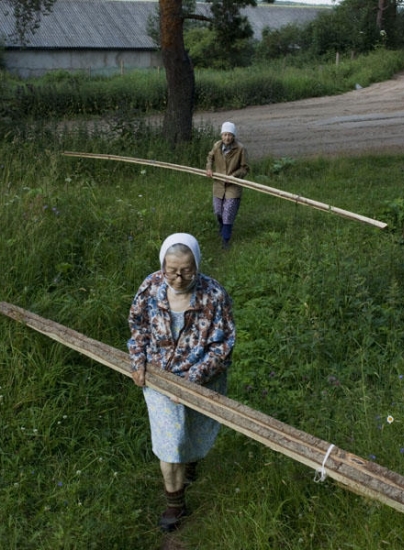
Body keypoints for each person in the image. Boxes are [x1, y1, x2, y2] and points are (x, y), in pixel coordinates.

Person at [127, 233, 236, 532]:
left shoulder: (213, 295)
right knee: (170, 443)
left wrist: (194, 378)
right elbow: (137, 328)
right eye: (171, 269)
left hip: (202, 377)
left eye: (186, 270)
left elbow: (224, 344)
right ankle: (174, 504)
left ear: (197, 265)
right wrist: (138, 362)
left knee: (193, 429)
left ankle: (189, 464)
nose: (178, 277)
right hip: (160, 377)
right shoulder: (150, 287)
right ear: (162, 265)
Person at [206, 121, 249, 249]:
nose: (227, 138)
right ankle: (223, 227)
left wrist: (234, 177)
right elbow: (210, 158)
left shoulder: (240, 149)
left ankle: (226, 239)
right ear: (221, 135)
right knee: (218, 211)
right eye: (225, 135)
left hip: (233, 186)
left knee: (228, 212)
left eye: (230, 135)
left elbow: (245, 168)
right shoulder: (217, 146)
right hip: (219, 184)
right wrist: (209, 168)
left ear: (233, 136)